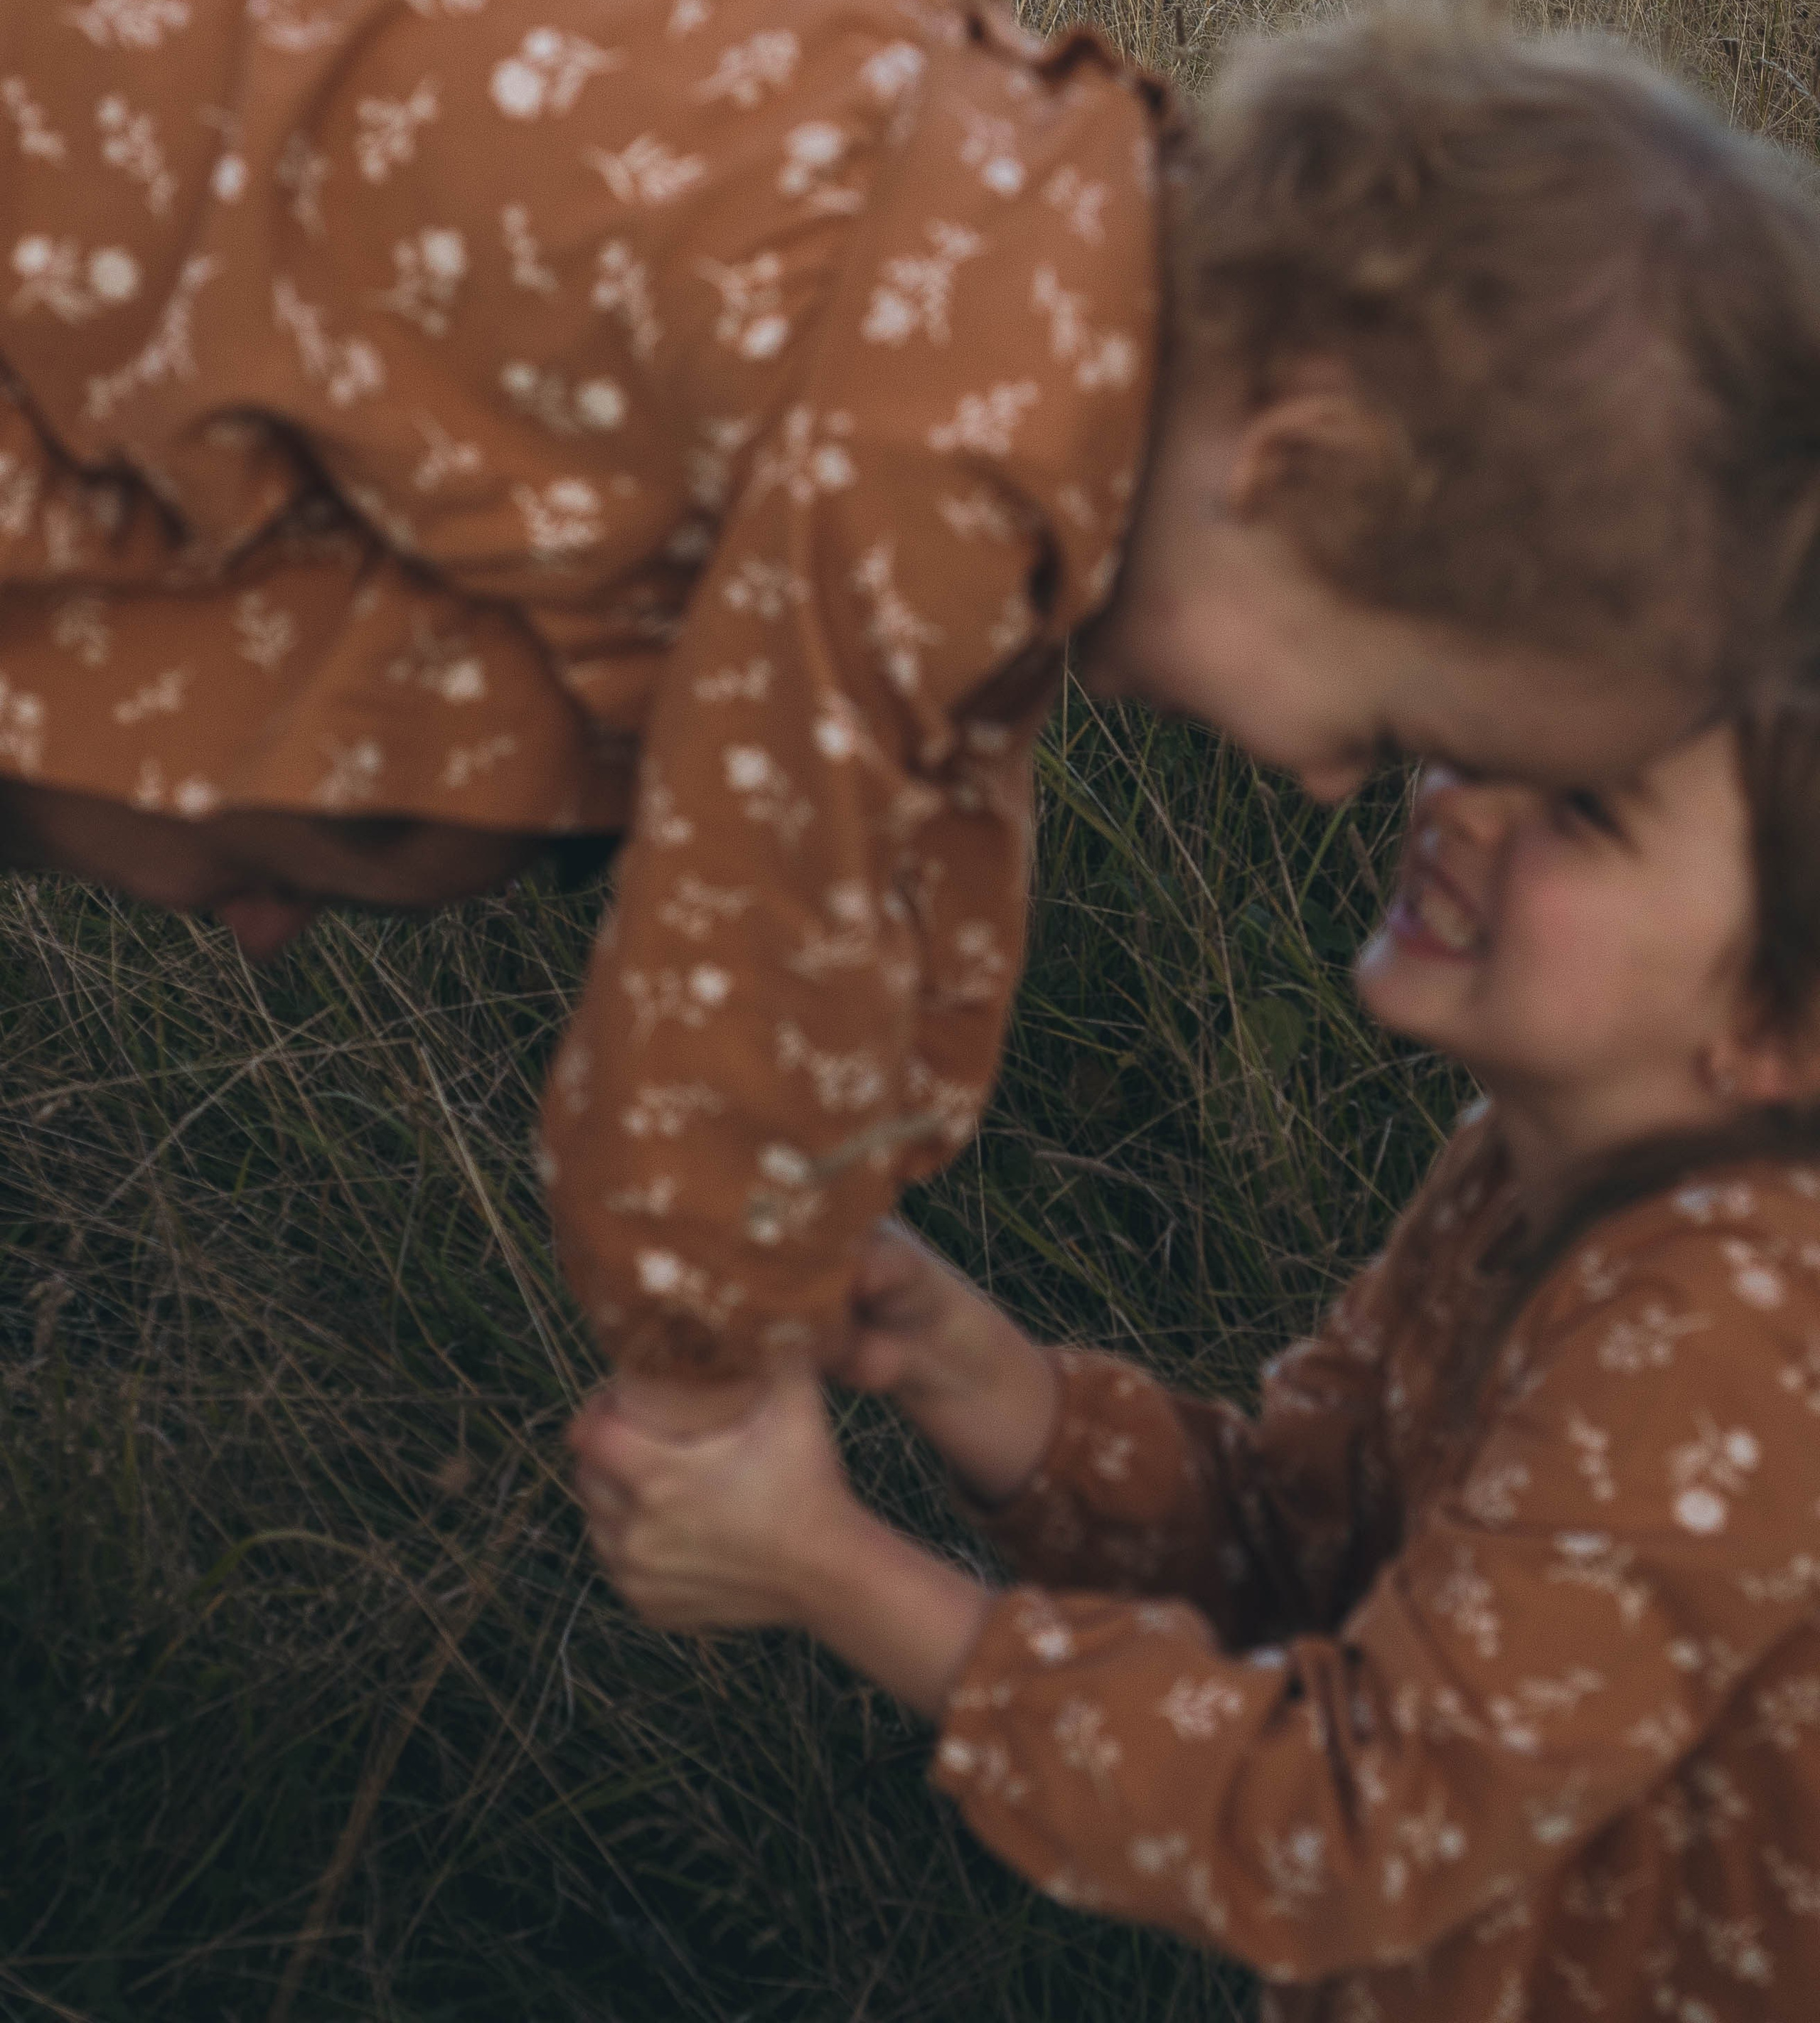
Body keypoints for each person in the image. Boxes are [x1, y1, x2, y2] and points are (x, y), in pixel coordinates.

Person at [4, 0, 1820, 1416]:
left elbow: (927, 773)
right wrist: (713, 1355)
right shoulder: (955, 426)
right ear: (1301, 467)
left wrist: (874, 1146)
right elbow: (759, 898)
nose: (1336, 781)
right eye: (1390, 722)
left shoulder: (1018, 230)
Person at [574, 700, 1820, 2021]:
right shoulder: (1522, 1175)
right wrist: (969, 1369)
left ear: (1779, 1025)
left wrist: (825, 1570)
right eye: (1487, 732)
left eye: (1583, 809)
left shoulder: (1740, 1331)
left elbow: (1355, 1821)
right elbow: (1306, 1564)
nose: (1463, 798)